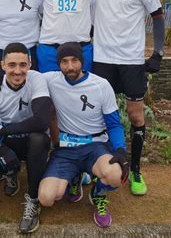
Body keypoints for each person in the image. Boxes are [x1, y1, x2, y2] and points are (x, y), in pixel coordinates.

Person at [91, 0, 165, 196]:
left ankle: (135, 170)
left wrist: (158, 53)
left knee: (135, 115)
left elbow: (157, 15)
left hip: (131, 61)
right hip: (102, 61)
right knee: (101, 118)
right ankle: (104, 166)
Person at [38, 42, 129, 228]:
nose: (70, 66)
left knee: (114, 175)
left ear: (83, 61)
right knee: (46, 198)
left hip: (96, 146)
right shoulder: (50, 79)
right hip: (66, 148)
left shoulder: (101, 85)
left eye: (75, 60)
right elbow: (23, 76)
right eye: (64, 61)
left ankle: (98, 194)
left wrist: (120, 149)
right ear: (58, 64)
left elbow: (113, 124)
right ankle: (76, 176)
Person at [0, 42, 52, 233]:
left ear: (30, 64)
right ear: (3, 65)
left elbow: (42, 122)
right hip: (9, 143)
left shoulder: (36, 79)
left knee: (39, 139)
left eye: (23, 65)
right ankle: (10, 172)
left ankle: (33, 199)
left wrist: (6, 130)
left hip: (31, 141)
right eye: (12, 65)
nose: (17, 71)